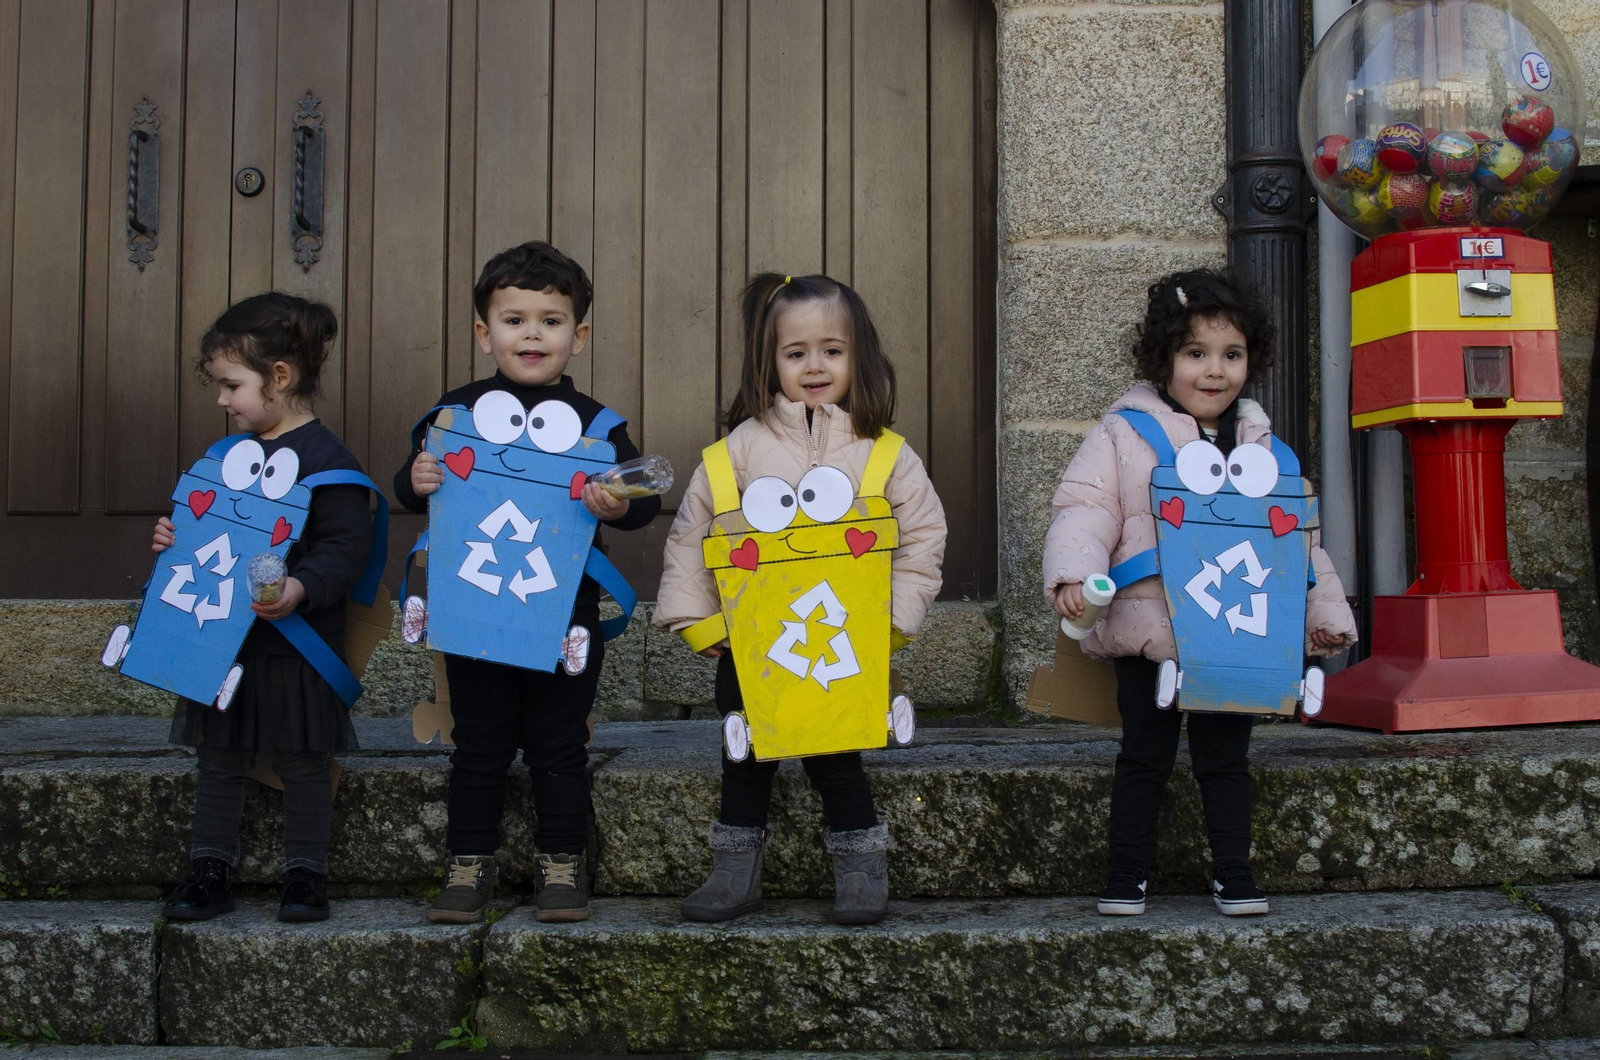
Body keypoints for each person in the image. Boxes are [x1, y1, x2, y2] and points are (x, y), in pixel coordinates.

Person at [1041, 268, 1357, 917]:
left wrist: (1321, 617)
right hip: (1148, 631)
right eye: (1196, 353)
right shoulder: (1124, 435)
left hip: (1232, 636)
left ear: (1251, 359)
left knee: (1225, 759)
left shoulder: (1267, 450)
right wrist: (1073, 573)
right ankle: (1126, 874)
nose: (1214, 371)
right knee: (1144, 756)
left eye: (1231, 354)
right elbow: (1085, 508)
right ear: (1164, 359)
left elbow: (1299, 544)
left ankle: (1234, 873)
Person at [655, 272, 947, 925]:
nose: (814, 365)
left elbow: (924, 535)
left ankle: (862, 870)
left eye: (831, 350)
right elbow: (691, 535)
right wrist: (700, 624)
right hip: (750, 646)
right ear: (770, 363)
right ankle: (735, 874)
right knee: (744, 758)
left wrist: (893, 622)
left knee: (837, 756)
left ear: (859, 357)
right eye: (796, 353)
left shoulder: (884, 455)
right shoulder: (734, 455)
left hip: (843, 644)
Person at [395, 241, 659, 925]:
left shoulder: (600, 428)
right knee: (477, 742)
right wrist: (417, 478)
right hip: (473, 611)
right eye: (514, 320)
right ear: (485, 334)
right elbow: (408, 481)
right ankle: (467, 863)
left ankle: (563, 863)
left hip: (565, 614)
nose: (532, 334)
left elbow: (644, 502)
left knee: (558, 743)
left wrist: (619, 502)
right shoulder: (452, 413)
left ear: (580, 335)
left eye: (550, 320)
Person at [160, 293, 374, 924]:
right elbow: (205, 537)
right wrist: (175, 542)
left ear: (279, 377)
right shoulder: (222, 460)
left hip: (297, 647)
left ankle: (304, 875)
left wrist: (301, 588)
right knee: (219, 758)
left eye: (232, 385)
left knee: (305, 763)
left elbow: (344, 548)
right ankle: (208, 869)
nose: (222, 401)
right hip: (224, 644)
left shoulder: (328, 461)